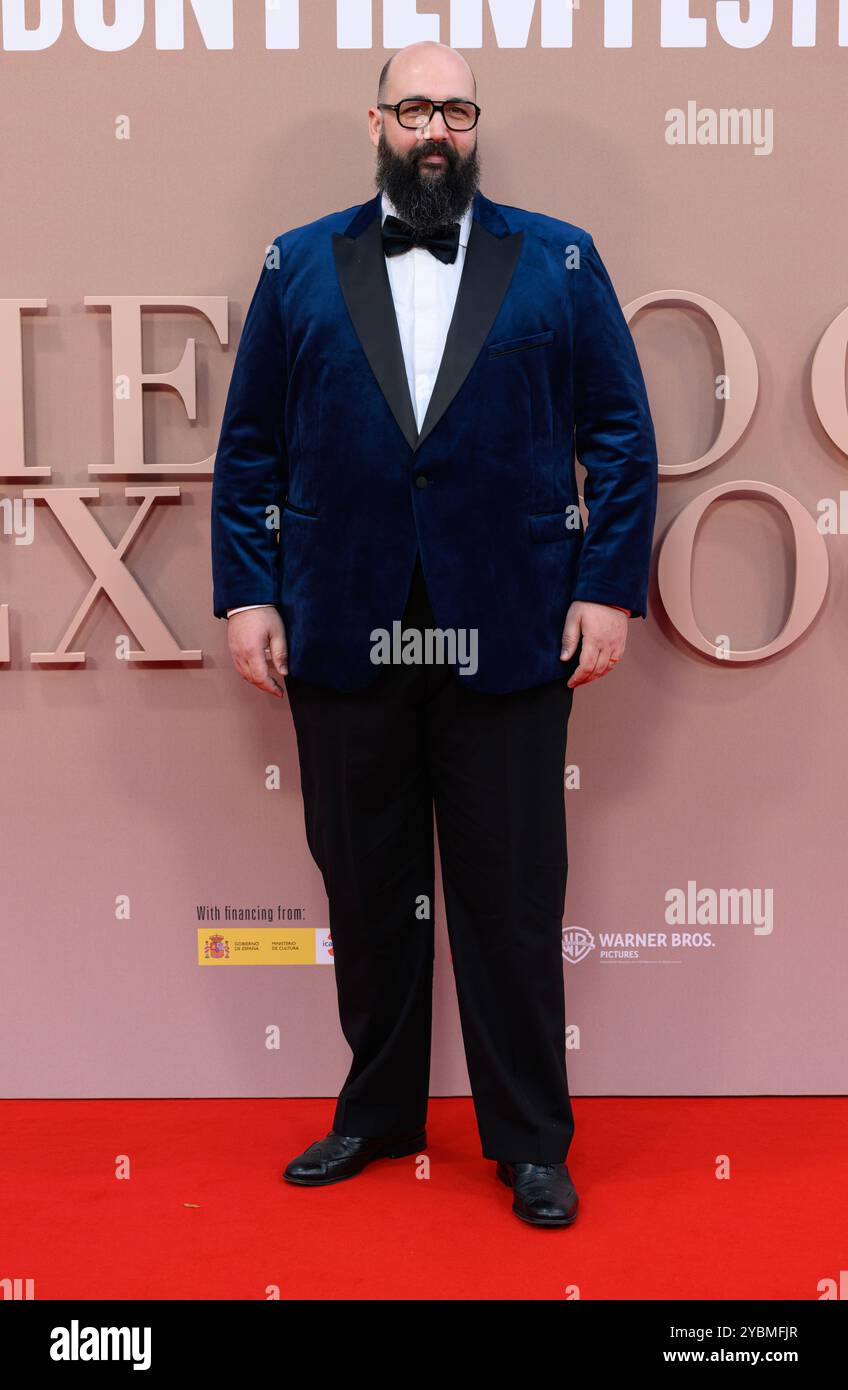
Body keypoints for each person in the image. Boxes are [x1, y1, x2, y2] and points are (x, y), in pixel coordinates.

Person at [211, 40, 657, 1227]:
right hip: (341, 626)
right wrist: (249, 591)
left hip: (507, 631)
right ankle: (375, 1112)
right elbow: (250, 442)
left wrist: (605, 587)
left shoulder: (556, 258)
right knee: (365, 884)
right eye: (413, 106)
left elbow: (617, 432)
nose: (435, 128)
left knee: (510, 894)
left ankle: (528, 1139)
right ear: (375, 120)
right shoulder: (301, 262)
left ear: (475, 124)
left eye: (455, 108)